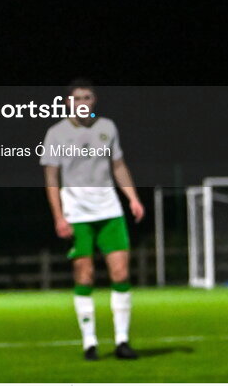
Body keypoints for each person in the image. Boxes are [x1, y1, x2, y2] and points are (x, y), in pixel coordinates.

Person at [42, 79, 145, 361]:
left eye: (87, 98)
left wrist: (133, 198)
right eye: (77, 98)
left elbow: (118, 165)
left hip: (110, 211)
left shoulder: (107, 128)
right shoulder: (56, 134)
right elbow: (51, 178)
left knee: (121, 273)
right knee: (84, 275)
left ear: (94, 101)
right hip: (77, 214)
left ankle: (122, 341)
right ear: (68, 103)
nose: (82, 103)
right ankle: (90, 342)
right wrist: (59, 216)